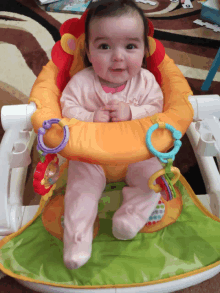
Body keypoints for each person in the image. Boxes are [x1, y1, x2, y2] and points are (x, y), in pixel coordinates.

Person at [60, 0, 164, 270]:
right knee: (79, 189)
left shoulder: (146, 81)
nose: (118, 57)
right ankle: (77, 239)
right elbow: (66, 108)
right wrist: (90, 117)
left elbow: (157, 109)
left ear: (144, 51)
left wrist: (132, 112)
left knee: (155, 177)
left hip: (136, 154)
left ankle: (129, 218)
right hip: (92, 156)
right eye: (104, 46)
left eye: (130, 46)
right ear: (89, 52)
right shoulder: (82, 82)